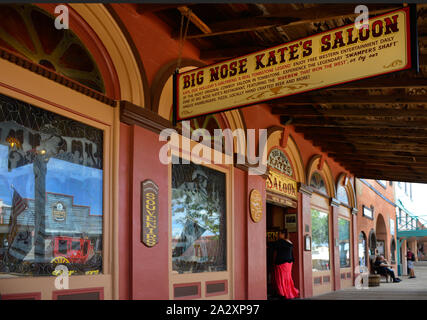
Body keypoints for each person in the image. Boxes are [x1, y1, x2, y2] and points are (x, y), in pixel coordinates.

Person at [271, 229, 299, 299]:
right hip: (289, 263)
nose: (278, 235)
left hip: (281, 262)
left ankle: (282, 293)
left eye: (279, 234)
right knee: (288, 278)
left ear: (283, 234)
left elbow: (272, 247)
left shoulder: (281, 241)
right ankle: (289, 292)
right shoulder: (290, 242)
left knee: (280, 278)